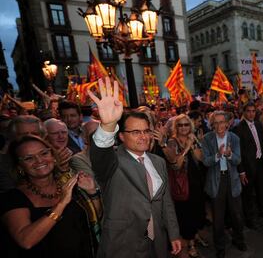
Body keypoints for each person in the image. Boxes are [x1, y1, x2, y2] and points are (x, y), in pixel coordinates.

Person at [87, 77, 181, 258]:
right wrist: (107, 126)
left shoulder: (158, 162)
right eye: (136, 132)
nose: (143, 136)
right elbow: (100, 155)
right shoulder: (112, 162)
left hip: (158, 242)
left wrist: (174, 233)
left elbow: (166, 202)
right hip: (124, 245)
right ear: (121, 136)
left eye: (146, 131)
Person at [0, 135, 101, 258]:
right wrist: (61, 204)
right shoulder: (12, 198)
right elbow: (26, 241)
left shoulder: (70, 186)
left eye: (44, 153)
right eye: (29, 158)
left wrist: (92, 192)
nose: (39, 160)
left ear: (53, 157)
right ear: (20, 167)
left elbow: (94, 218)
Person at [201, 110, 246, 258]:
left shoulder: (234, 138)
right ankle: (220, 247)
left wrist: (229, 155)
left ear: (227, 123)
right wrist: (218, 155)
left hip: (232, 181)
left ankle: (238, 240)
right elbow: (206, 162)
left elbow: (238, 160)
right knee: (218, 219)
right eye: (216, 122)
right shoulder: (207, 139)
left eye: (222, 122)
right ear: (212, 124)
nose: (220, 125)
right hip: (216, 181)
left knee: (237, 215)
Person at [163, 114, 205, 258]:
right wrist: (187, 148)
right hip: (181, 186)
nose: (183, 128)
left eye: (186, 125)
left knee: (196, 212)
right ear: (176, 127)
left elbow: (201, 158)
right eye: (180, 125)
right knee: (185, 215)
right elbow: (176, 165)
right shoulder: (172, 142)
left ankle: (194, 238)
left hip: (195, 183)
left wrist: (193, 145)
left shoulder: (194, 139)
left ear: (190, 126)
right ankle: (189, 245)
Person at [233, 101, 263, 228]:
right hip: (248, 166)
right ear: (244, 112)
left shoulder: (259, 125)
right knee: (248, 194)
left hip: (260, 163)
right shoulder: (238, 128)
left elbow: (262, 144)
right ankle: (248, 218)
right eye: (248, 111)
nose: (251, 114)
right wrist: (241, 171)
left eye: (253, 111)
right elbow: (238, 151)